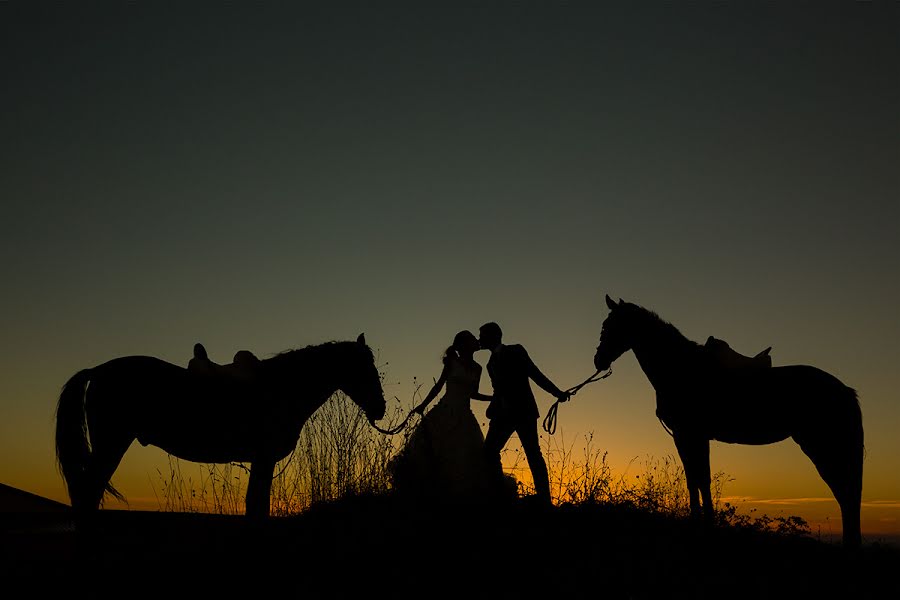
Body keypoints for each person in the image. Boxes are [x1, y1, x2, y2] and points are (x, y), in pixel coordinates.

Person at [388, 330, 507, 505]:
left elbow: (473, 393)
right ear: (464, 344)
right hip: (444, 412)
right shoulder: (452, 362)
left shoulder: (478, 368)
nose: (477, 340)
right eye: (472, 338)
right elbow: (438, 386)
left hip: (465, 416)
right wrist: (423, 405)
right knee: (434, 452)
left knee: (465, 457)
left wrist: (493, 397)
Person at [478, 321, 570, 506]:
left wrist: (557, 392)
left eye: (482, 335)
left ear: (493, 336)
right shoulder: (490, 364)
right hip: (502, 417)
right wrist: (492, 408)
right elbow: (498, 390)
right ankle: (499, 493)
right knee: (489, 452)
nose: (479, 339)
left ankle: (544, 499)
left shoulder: (516, 351)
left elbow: (535, 374)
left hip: (523, 413)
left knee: (533, 454)